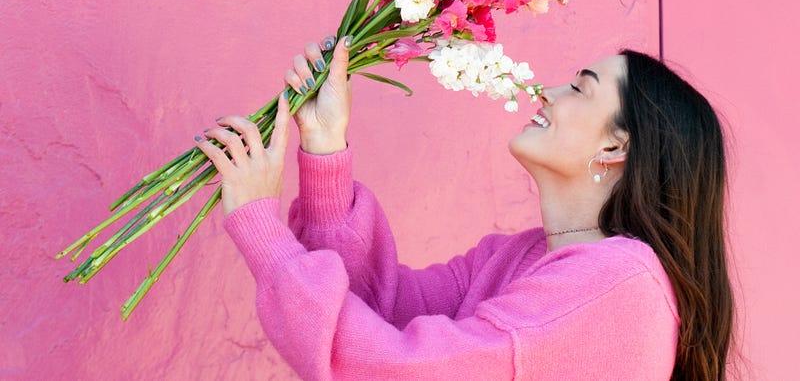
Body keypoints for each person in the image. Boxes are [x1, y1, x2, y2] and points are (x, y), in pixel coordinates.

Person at [195, 35, 735, 380]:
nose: (546, 92)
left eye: (578, 87)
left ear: (616, 147)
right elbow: (382, 308)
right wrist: (326, 147)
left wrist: (262, 228)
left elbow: (388, 369)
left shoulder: (617, 287)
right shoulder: (518, 258)